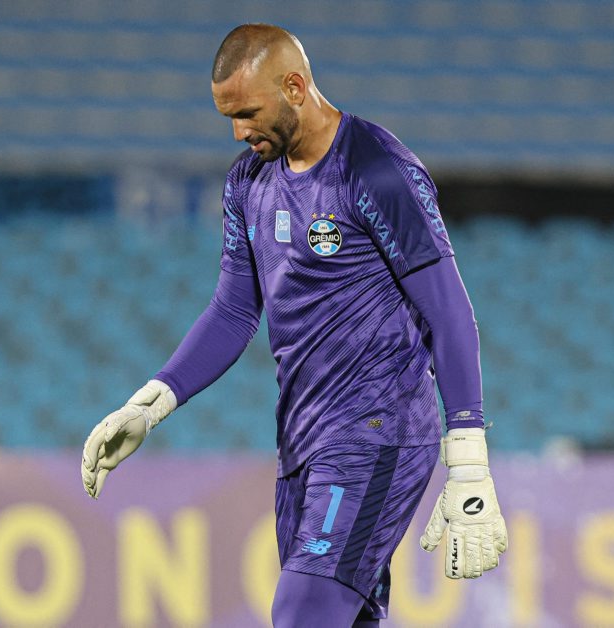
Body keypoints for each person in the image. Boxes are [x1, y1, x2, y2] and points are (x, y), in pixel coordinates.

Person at [82, 23, 507, 627]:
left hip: (376, 431)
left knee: (302, 613)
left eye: (248, 113)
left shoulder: (376, 170)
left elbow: (448, 309)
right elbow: (233, 311)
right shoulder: (247, 182)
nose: (239, 132)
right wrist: (150, 404)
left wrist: (467, 460)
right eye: (229, 117)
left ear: (294, 87)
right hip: (302, 443)